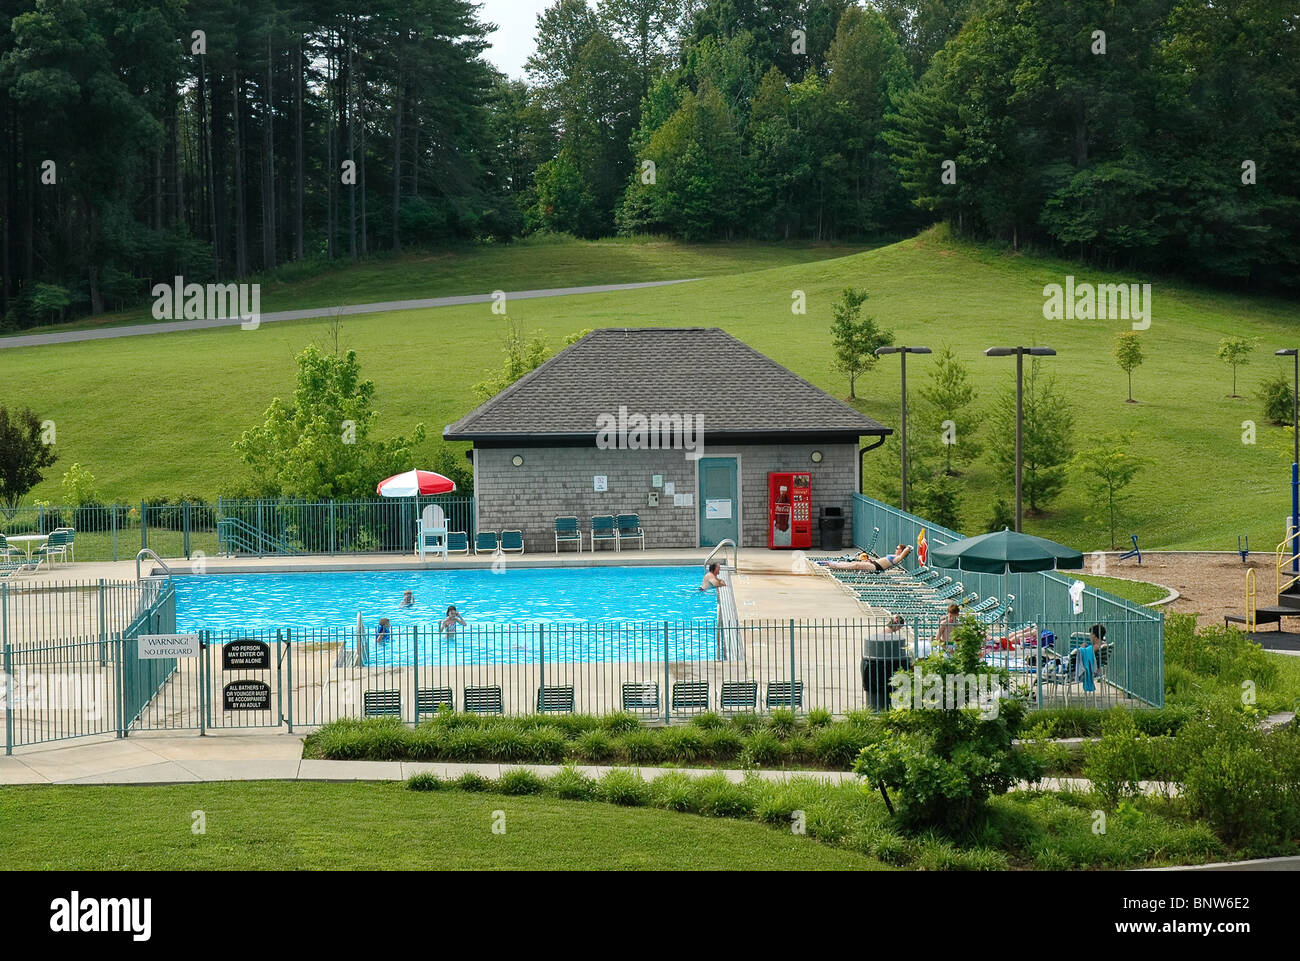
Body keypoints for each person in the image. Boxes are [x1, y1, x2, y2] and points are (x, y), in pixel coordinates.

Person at [823, 544, 912, 572]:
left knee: (856, 565)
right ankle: (836, 564)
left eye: (897, 548)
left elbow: (902, 556)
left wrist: (908, 548)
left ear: (901, 550)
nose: (895, 549)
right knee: (853, 563)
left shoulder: (897, 558)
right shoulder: (895, 556)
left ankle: (835, 566)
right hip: (873, 563)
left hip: (876, 567)